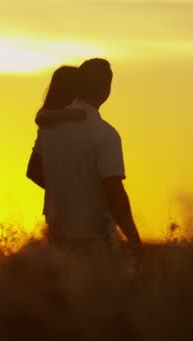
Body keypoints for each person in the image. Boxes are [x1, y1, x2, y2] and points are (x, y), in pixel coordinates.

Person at [29, 59, 142, 253]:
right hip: (95, 240)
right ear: (107, 90)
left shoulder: (49, 128)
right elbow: (115, 194)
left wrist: (68, 190)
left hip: (56, 239)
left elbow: (33, 171)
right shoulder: (105, 134)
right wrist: (134, 239)